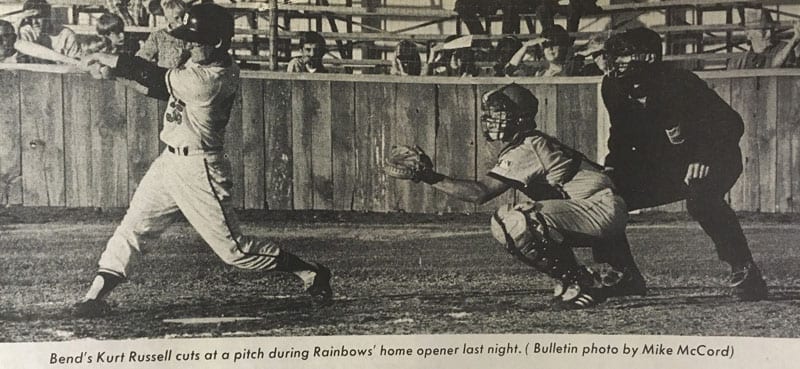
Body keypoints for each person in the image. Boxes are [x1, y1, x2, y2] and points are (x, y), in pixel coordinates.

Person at [73, 3, 333, 318]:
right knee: (133, 228)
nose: (190, 45)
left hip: (200, 169)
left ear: (219, 42)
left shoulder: (214, 77)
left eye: (198, 40)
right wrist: (114, 74)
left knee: (235, 252)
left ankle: (310, 271)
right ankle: (94, 298)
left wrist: (109, 61)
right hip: (169, 162)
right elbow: (158, 90)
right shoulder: (199, 66)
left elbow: (153, 76)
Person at [388, 83, 642, 310]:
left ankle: (581, 280)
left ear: (520, 119)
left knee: (512, 220)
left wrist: (428, 176)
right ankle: (613, 277)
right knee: (531, 214)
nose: (490, 119)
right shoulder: (533, 142)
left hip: (599, 210)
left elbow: (480, 193)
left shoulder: (527, 147)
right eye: (490, 113)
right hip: (600, 208)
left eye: (500, 113)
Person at [601, 27, 768, 301]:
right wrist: (612, 169)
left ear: (647, 58)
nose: (615, 64)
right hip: (666, 166)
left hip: (716, 157)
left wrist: (703, 155)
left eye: (624, 57)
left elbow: (731, 123)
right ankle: (624, 273)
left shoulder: (681, 82)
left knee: (701, 198)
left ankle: (745, 268)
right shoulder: (612, 86)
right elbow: (620, 135)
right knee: (604, 197)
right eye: (614, 58)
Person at [728, 9, 798, 69]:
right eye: (763, 30)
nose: (769, 34)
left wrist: (793, 41)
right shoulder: (741, 62)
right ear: (748, 34)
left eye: (771, 29)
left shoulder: (784, 47)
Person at [16, 0, 81, 63]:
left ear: (48, 16)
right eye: (30, 18)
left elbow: (76, 64)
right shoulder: (25, 33)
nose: (34, 22)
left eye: (38, 17)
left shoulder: (66, 35)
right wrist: (17, 27)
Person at [505, 25, 582, 76]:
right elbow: (509, 71)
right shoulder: (539, 71)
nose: (550, 48)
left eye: (555, 44)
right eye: (546, 45)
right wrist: (526, 46)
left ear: (564, 47)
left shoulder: (571, 69)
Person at [135, 0, 189, 68]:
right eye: (177, 18)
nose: (181, 21)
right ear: (167, 18)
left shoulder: (192, 35)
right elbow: (142, 56)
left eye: (184, 17)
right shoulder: (159, 35)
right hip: (163, 75)